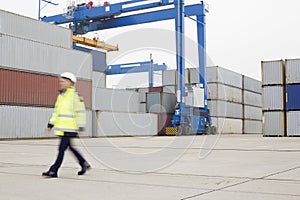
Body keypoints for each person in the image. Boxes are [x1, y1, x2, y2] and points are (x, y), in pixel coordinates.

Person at [42, 72, 91, 178]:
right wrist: (51, 123)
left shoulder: (76, 97)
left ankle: (54, 170)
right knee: (70, 147)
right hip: (62, 128)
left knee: (61, 149)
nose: (61, 83)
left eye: (64, 81)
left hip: (70, 128)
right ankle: (84, 163)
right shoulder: (61, 96)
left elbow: (81, 112)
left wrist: (81, 126)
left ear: (71, 83)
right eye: (61, 81)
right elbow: (57, 112)